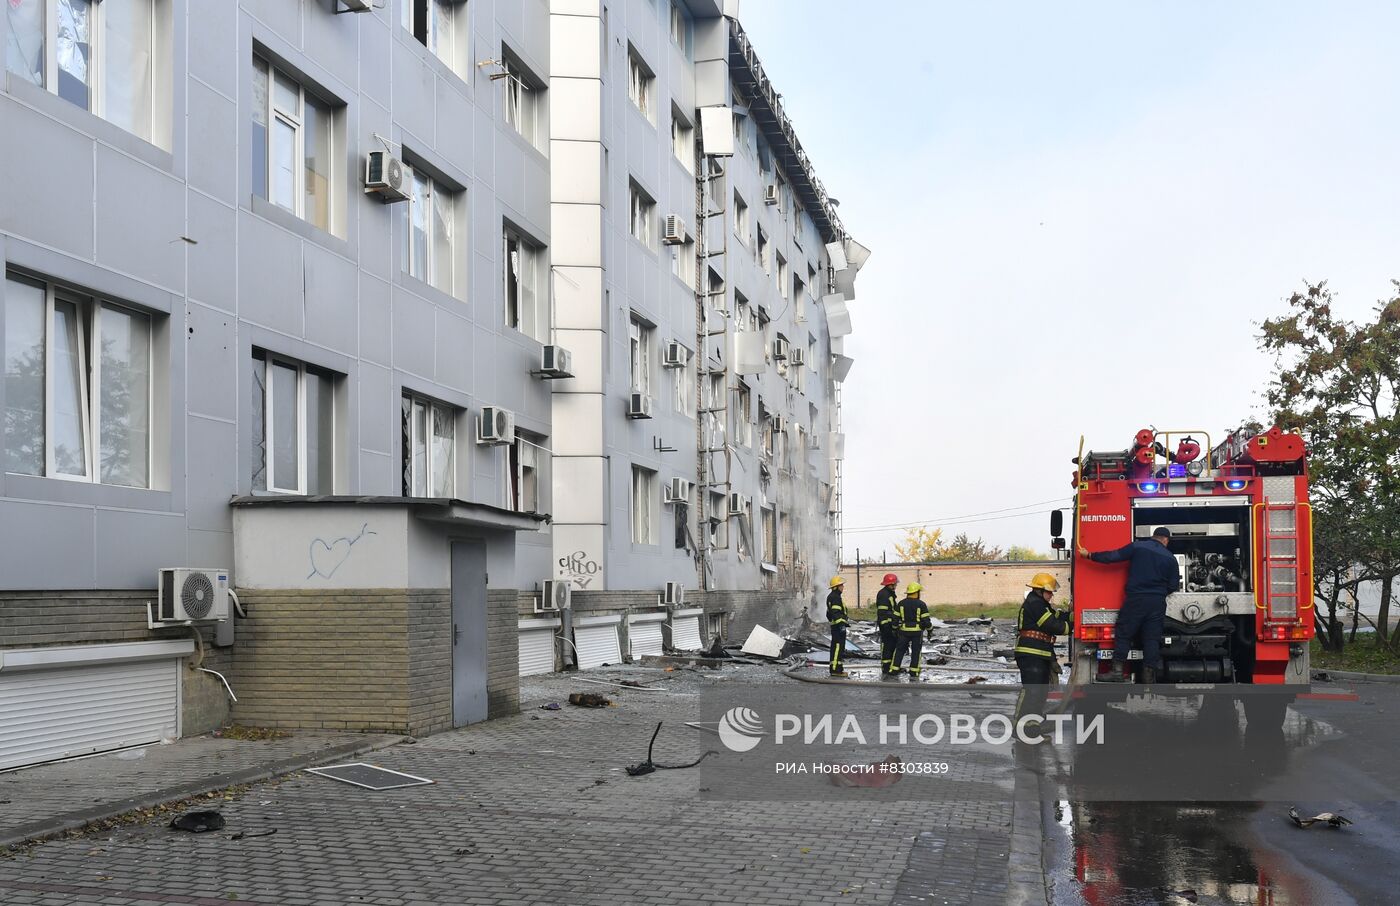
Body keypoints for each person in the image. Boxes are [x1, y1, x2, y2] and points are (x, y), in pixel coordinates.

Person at [1079, 527, 1180, 682]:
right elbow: (1173, 586)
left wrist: (1090, 555)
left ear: (1153, 537)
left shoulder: (1137, 546)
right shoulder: (1170, 558)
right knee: (1152, 639)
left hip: (1136, 599)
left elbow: (1113, 556)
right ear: (1166, 540)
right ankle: (1148, 679)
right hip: (1157, 603)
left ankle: (1117, 672)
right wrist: (1158, 592)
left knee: (1124, 632)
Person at [1014, 573, 1072, 720]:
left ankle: (1032, 728)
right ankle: (1021, 727)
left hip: (1038, 653)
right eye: (1049, 592)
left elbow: (1057, 616)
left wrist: (1073, 615)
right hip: (1031, 654)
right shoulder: (1035, 604)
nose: (1052, 595)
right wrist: (1072, 627)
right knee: (1032, 693)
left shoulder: (1041, 604)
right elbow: (1052, 624)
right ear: (1040, 590)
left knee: (1039, 694)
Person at [889, 582, 933, 678]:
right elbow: (926, 621)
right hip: (917, 633)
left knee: (899, 650)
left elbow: (895, 619)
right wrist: (930, 630)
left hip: (903, 632)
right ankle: (914, 672)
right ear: (916, 592)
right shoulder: (921, 604)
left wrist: (895, 629)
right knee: (916, 651)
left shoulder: (901, 603)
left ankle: (894, 670)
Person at [875, 573, 901, 675]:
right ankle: (886, 668)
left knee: (892, 646)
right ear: (891, 584)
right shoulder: (884, 594)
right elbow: (882, 613)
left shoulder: (889, 594)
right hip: (886, 626)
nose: (896, 586)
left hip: (890, 625)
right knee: (887, 646)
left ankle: (890, 667)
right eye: (895, 584)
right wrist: (885, 626)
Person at [825, 576, 849, 676]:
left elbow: (828, 613)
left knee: (837, 647)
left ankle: (837, 668)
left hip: (836, 626)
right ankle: (835, 669)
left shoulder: (833, 596)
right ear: (836, 587)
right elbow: (835, 612)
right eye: (841, 585)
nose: (843, 587)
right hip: (838, 627)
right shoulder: (835, 597)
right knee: (838, 647)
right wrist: (841, 624)